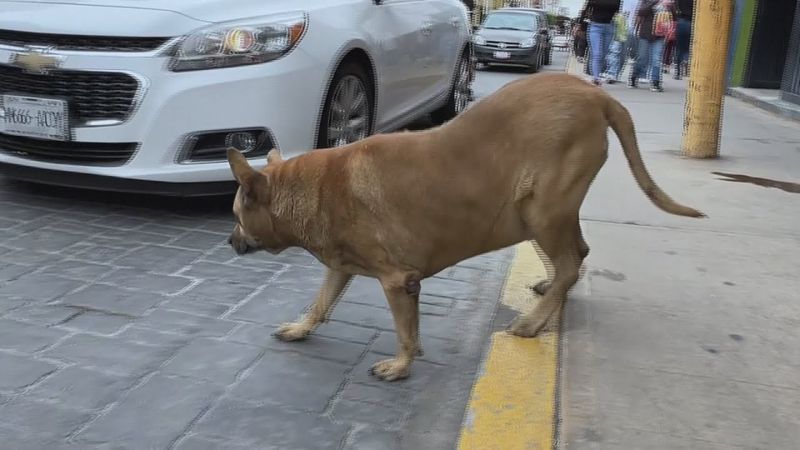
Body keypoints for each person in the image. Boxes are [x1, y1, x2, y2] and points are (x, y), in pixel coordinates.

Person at [628, 0, 675, 92]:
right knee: (642, 58)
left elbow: (674, 17)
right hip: (645, 33)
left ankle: (655, 82)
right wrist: (656, 2)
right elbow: (641, 11)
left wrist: (670, 6)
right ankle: (634, 76)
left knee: (656, 58)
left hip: (660, 34)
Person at [578, 0, 622, 85]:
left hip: (610, 27)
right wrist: (580, 26)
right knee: (597, 54)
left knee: (603, 54)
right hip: (595, 26)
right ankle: (596, 78)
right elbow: (586, 10)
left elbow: (617, 12)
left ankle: (597, 75)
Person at [604, 11, 628, 84]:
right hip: (610, 27)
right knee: (612, 53)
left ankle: (612, 74)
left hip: (619, 33)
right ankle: (611, 73)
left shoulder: (621, 16)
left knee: (615, 53)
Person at [673, 0, 693, 79]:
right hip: (691, 22)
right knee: (688, 46)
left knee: (679, 47)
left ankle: (678, 72)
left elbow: (675, 6)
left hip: (681, 21)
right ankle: (686, 60)